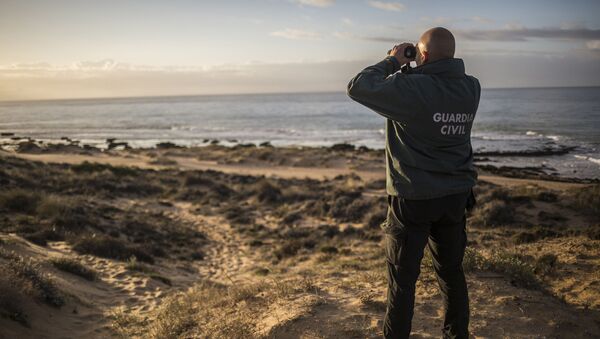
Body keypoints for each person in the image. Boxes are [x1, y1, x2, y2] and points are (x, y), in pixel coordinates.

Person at [347, 27, 480, 339]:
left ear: (424, 55)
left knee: (403, 280)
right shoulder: (471, 87)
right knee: (451, 272)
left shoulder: (411, 88)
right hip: (455, 195)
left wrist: (392, 61)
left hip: (413, 196)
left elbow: (358, 87)